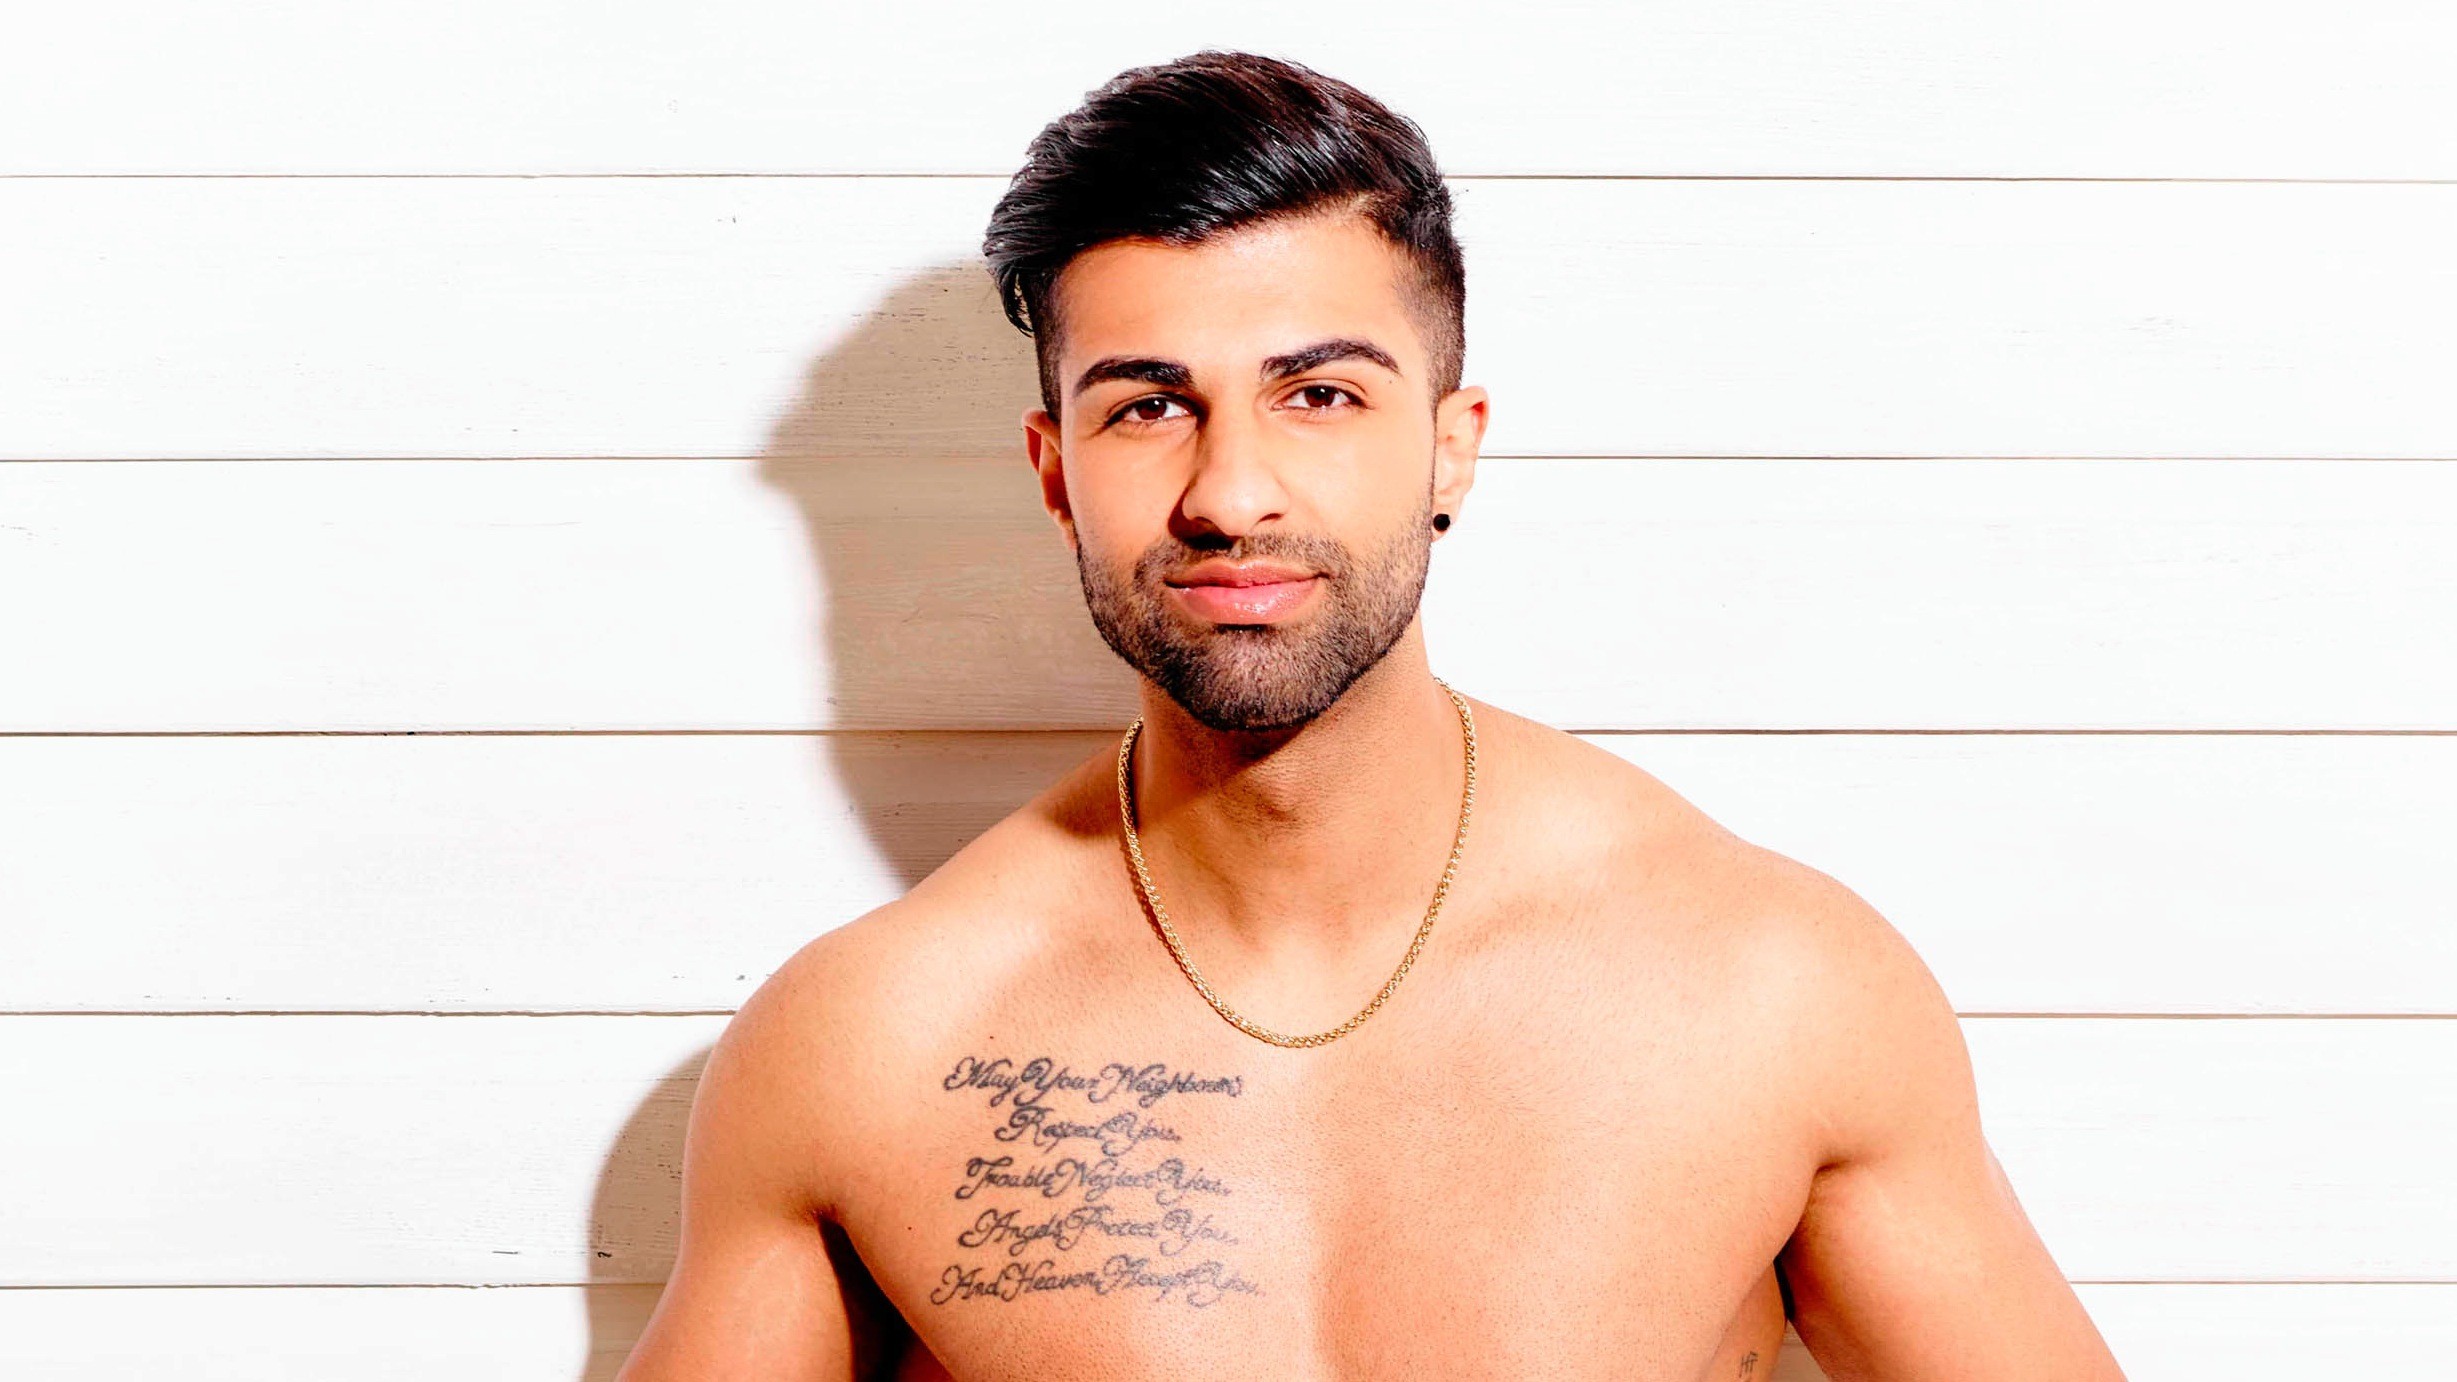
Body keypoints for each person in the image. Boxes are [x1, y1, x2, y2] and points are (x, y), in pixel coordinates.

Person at [617, 50, 2128, 1381]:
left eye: (1320, 395)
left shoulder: (1767, 990)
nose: (1231, 492)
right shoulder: (869, 1049)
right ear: (1055, 470)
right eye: (1147, 405)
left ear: (1450, 449)